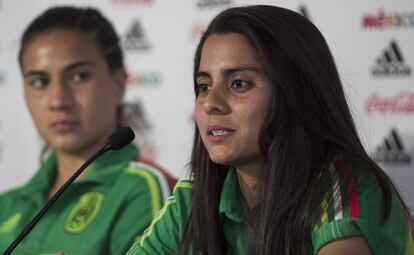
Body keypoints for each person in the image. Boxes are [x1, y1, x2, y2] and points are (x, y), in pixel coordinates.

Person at [127, 5, 414, 255]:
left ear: (295, 92)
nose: (210, 103)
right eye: (203, 86)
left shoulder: (345, 186)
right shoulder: (192, 201)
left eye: (239, 83)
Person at [0, 6, 175, 255]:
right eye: (39, 82)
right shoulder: (7, 205)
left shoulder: (144, 189)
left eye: (79, 77)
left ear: (119, 83)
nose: (58, 100)